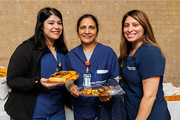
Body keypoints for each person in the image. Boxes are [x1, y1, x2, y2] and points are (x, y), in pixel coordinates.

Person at [4, 7, 70, 120]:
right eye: (51, 23)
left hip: (57, 113)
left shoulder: (63, 51)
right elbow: (12, 80)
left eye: (59, 23)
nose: (56, 27)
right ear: (41, 26)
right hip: (30, 115)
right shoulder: (26, 49)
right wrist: (37, 82)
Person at [62, 14, 126, 120]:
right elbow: (67, 81)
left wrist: (107, 91)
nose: (87, 31)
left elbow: (115, 79)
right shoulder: (70, 56)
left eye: (91, 27)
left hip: (105, 109)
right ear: (78, 31)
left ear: (97, 31)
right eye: (83, 27)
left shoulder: (108, 53)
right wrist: (71, 87)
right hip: (81, 110)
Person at [119, 9, 171, 120]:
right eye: (126, 25)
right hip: (133, 113)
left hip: (151, 116)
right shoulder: (128, 52)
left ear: (144, 27)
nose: (130, 29)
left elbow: (150, 96)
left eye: (135, 25)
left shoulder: (150, 52)